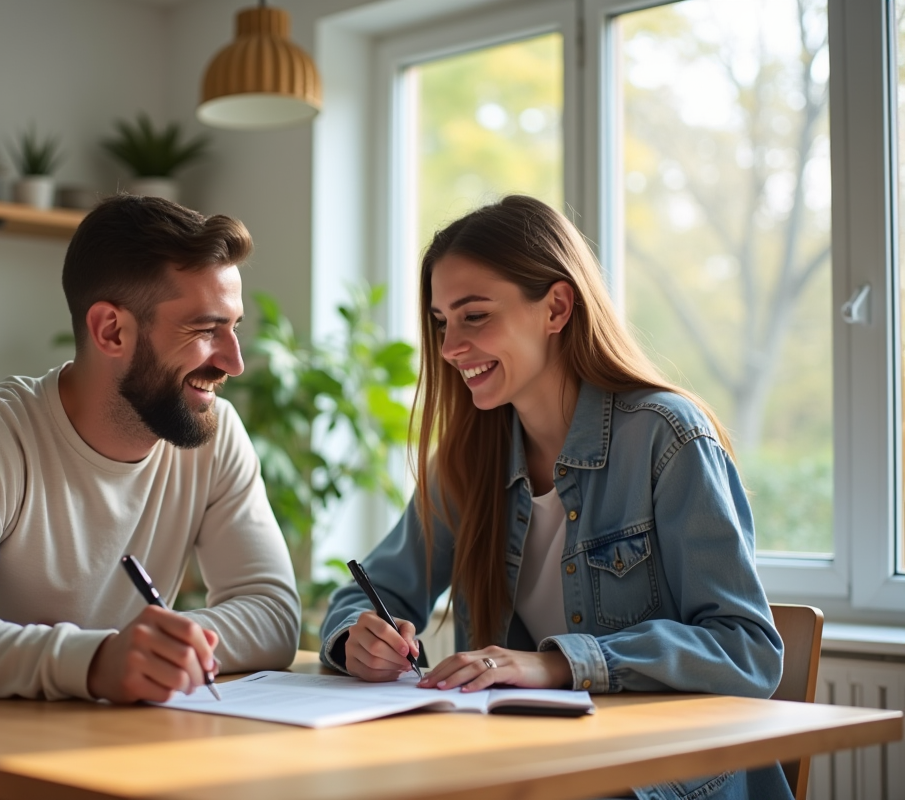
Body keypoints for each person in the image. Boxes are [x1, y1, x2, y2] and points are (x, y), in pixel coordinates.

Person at [319, 195, 791, 800]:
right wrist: (354, 640)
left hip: (660, 783)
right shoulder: (469, 460)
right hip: (531, 773)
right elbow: (375, 590)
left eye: (475, 316)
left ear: (557, 308)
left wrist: (558, 664)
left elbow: (747, 648)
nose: (449, 348)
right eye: (442, 323)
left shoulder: (667, 438)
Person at [0, 194, 299, 712]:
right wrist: (96, 661)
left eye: (234, 327)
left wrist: (156, 650)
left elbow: (273, 615)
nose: (235, 361)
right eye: (206, 330)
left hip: (106, 756)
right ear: (111, 331)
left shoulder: (215, 434)